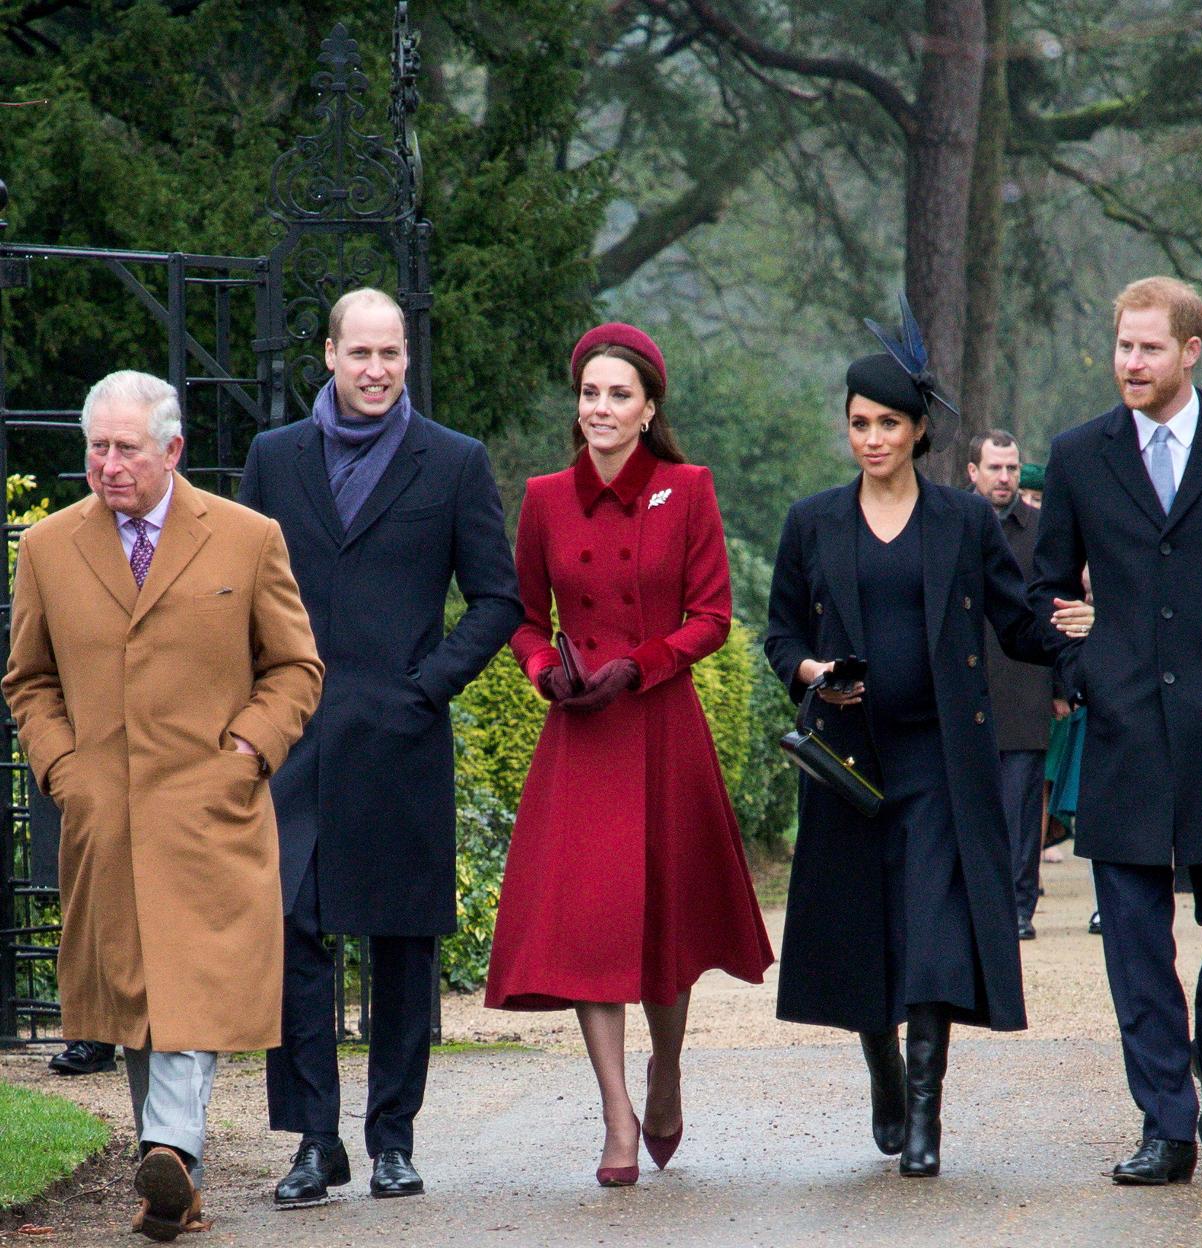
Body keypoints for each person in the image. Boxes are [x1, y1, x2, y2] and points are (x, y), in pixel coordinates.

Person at [765, 300, 1089, 1178]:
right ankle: (881, 1070)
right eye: (859, 424)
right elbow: (780, 637)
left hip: (944, 758)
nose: (871, 438)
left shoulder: (960, 521)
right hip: (847, 759)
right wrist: (812, 674)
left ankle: (925, 1118)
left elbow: (1018, 622)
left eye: (889, 424)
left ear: (917, 432)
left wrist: (1084, 644)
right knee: (864, 929)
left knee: (936, 932)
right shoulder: (812, 522)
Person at [4, 370, 323, 1240]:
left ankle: (171, 1150)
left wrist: (250, 751)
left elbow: (296, 667)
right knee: (141, 994)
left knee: (191, 982)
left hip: (210, 808)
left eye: (126, 449)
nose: (108, 466)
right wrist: (64, 768)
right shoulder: (49, 547)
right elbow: (29, 680)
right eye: (96, 448)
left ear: (172, 451)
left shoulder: (247, 538)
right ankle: (172, 1175)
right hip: (105, 812)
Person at [239, 288, 521, 1206]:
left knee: (401, 947)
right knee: (296, 939)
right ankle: (315, 1143)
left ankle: (393, 1138)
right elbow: (238, 595)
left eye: (390, 354)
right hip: (300, 740)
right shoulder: (275, 460)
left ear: (407, 358)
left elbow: (497, 600)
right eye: (359, 353)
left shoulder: (452, 462)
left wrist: (425, 688)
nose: (375, 370)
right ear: (327, 355)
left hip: (401, 741)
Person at [484, 322, 774, 1186]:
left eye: (618, 395)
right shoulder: (543, 497)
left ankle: (667, 1068)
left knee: (664, 924)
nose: (601, 408)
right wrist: (545, 671)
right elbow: (524, 616)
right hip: (580, 735)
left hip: (659, 725)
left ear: (648, 409)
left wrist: (637, 667)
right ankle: (616, 1117)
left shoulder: (687, 490)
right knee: (590, 926)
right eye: (589, 394)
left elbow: (712, 616)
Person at [1031, 275, 1202, 1186]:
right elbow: (1042, 592)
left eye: (1149, 348)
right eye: (1123, 345)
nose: (1131, 362)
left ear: (1190, 351)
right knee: (1131, 938)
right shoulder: (1080, 457)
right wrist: (1085, 673)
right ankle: (1165, 1123)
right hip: (1121, 734)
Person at [967, 429, 1074, 941]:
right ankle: (971, 904)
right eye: (995, 467)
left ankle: (1017, 908)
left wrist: (1061, 682)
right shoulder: (949, 522)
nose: (1005, 477)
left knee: (1021, 803)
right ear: (973, 471)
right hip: (963, 688)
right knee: (967, 805)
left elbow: (1056, 608)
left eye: (1012, 468)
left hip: (1025, 685)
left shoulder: (1039, 528)